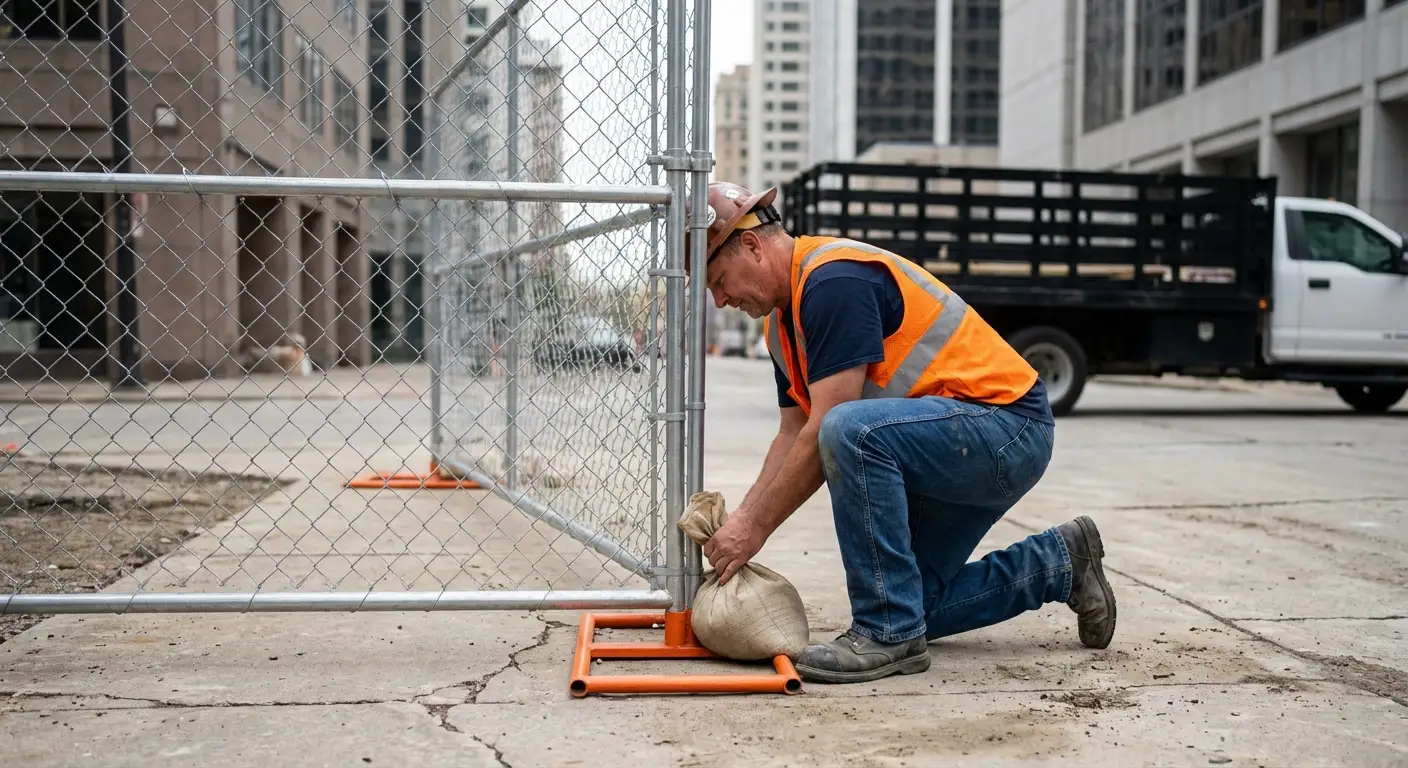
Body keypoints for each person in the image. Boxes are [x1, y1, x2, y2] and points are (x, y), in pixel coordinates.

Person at [684, 181, 1117, 685]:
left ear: (752, 245)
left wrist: (755, 529)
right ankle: (1060, 561)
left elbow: (830, 423)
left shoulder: (832, 279)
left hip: (1007, 430)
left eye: (717, 279)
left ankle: (886, 634)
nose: (719, 300)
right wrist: (743, 520)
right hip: (951, 447)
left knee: (848, 429)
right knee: (916, 604)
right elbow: (792, 434)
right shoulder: (783, 327)